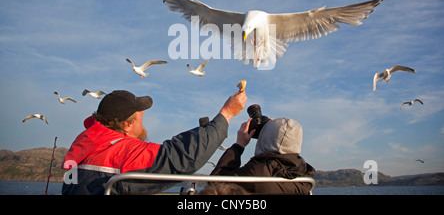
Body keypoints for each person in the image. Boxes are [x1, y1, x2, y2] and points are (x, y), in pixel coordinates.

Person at [61, 89, 247, 195]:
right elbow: (182, 157)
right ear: (127, 125)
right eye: (139, 113)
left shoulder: (86, 143)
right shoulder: (120, 152)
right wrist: (227, 114)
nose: (143, 114)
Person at [210, 112, 315, 195]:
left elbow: (215, 184)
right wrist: (272, 129)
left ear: (265, 138)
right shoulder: (305, 175)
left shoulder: (258, 172)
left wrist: (239, 145)